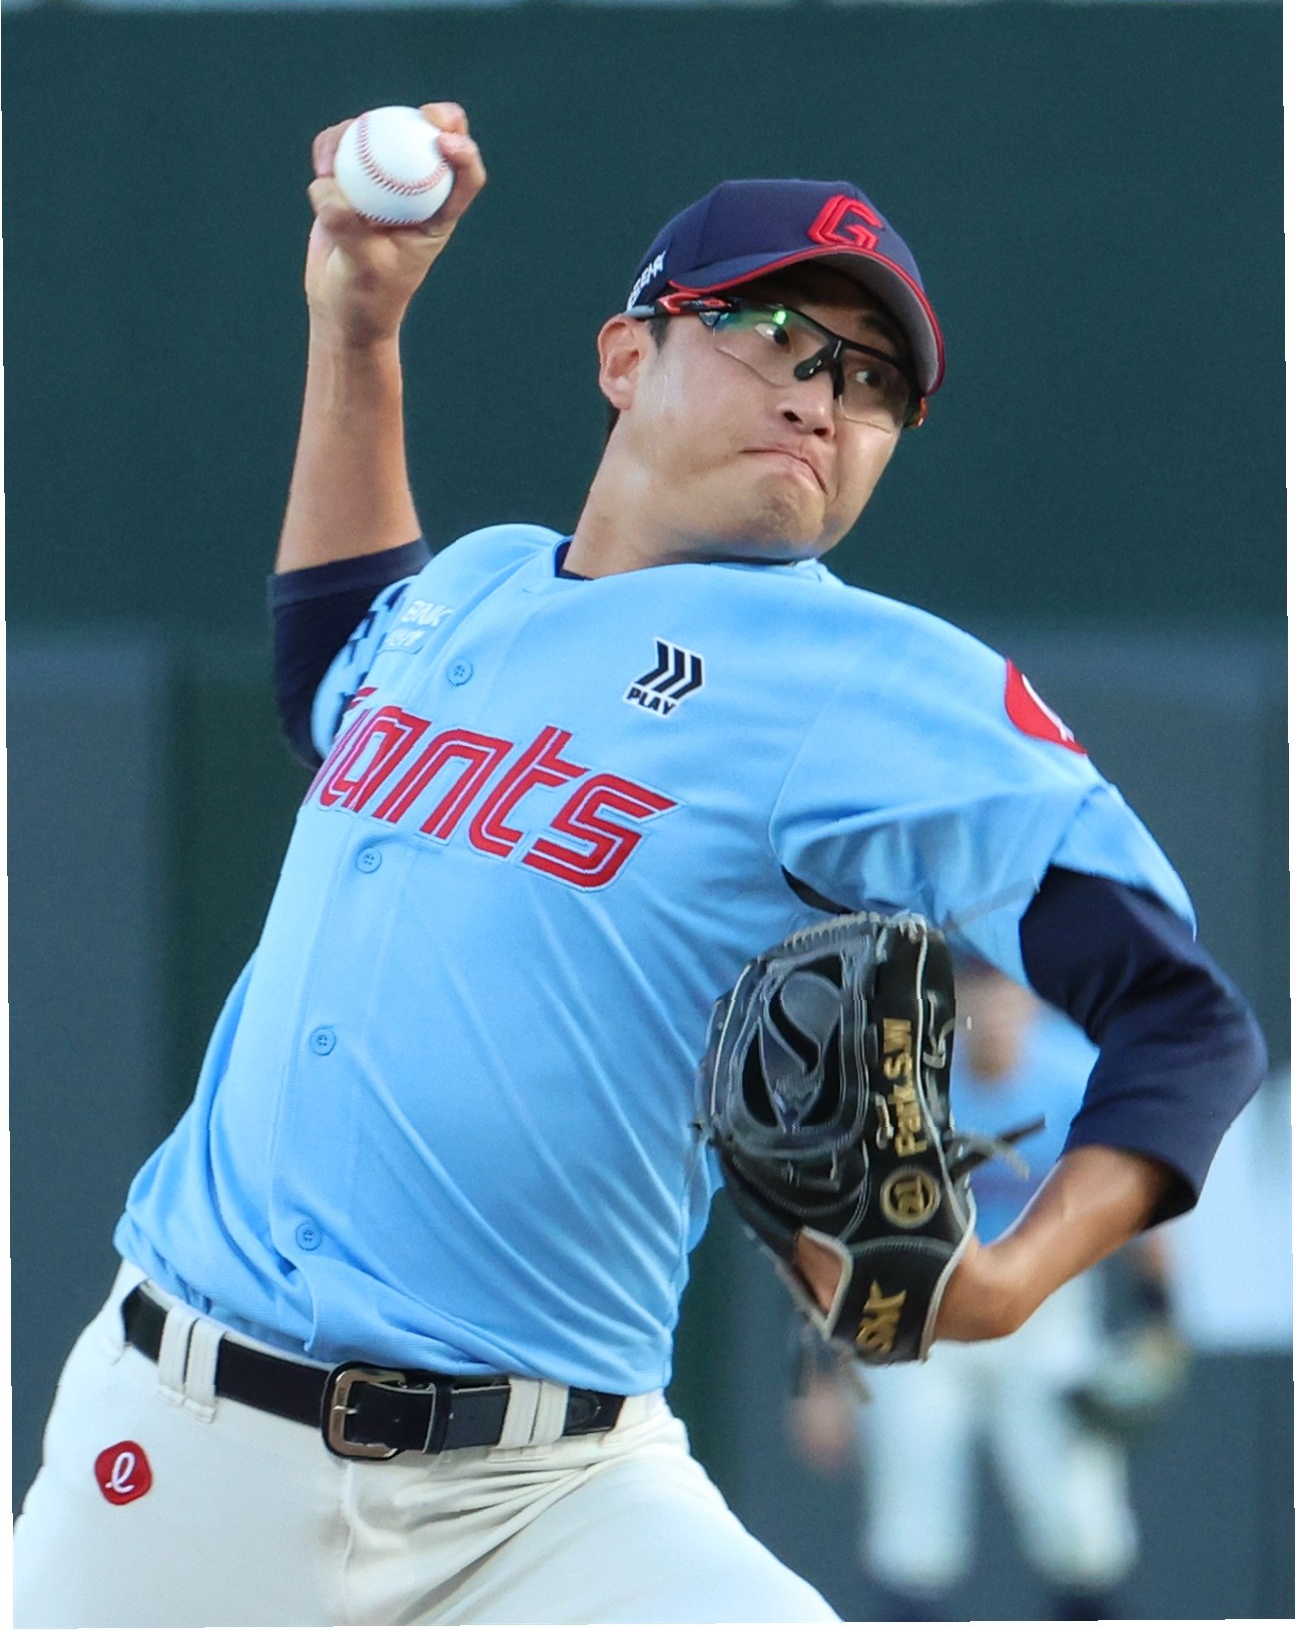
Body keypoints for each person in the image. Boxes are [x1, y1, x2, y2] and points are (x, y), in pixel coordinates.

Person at [13, 101, 1265, 1628]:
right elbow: (330, 670)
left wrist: (1010, 1277)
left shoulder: (872, 682)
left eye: (872, 380)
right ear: (627, 356)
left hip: (550, 1503)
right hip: (176, 1449)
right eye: (776, 332)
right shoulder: (477, 583)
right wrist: (358, 328)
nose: (821, 393)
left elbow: (1183, 1021)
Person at [790, 960, 1188, 1621]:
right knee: (911, 1537)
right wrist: (822, 1373)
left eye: (1004, 986)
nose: (992, 1006)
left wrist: (1160, 1316)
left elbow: (1143, 1196)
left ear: (1035, 999)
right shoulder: (903, 1082)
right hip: (920, 1312)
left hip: (1043, 1306)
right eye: (973, 987)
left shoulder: (1075, 1075)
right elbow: (835, 1225)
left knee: (1080, 1526)